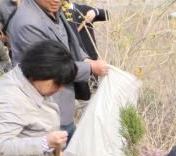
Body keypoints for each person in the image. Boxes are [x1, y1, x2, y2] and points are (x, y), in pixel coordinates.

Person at [7, 0, 108, 134]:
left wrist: (85, 59)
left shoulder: (51, 8)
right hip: (45, 114)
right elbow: (50, 68)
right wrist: (90, 68)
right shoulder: (28, 23)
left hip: (63, 108)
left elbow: (68, 41)